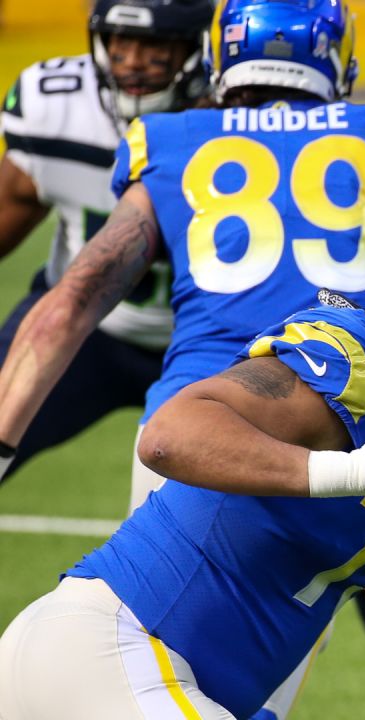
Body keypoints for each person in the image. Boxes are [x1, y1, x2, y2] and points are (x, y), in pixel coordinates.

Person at [0, 1, 365, 717]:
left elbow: (76, 296)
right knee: (232, 682)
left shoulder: (173, 136)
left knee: (134, 658)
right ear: (337, 61)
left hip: (194, 426)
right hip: (344, 419)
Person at [0, 234, 365, 720]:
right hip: (111, 652)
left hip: (151, 682)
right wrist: (342, 469)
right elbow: (170, 435)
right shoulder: (352, 364)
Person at [0, 0, 211, 479]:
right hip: (80, 331)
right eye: (120, 41)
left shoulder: (237, 116)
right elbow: (10, 210)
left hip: (211, 345)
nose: (133, 60)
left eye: (155, 45)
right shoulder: (55, 110)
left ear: (194, 48)